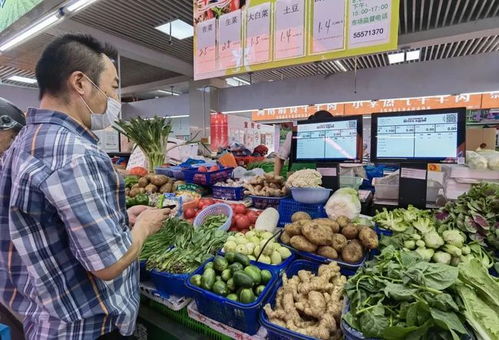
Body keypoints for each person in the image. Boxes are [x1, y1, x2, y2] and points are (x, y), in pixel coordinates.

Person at [0, 34, 170, 340]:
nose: (115, 99)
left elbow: (51, 224)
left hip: (44, 319)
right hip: (86, 328)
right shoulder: (75, 154)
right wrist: (144, 225)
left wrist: (121, 216)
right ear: (81, 83)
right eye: (114, 86)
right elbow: (108, 265)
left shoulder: (24, 141)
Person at [274, 110, 333, 176]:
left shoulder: (331, 138)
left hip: (325, 177)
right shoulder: (294, 135)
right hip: (297, 178)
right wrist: (275, 178)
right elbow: (280, 158)